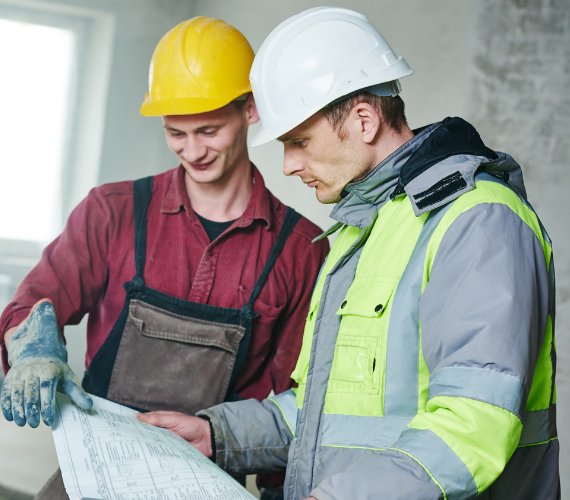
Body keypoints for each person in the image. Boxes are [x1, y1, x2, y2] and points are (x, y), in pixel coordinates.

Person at [138, 7, 558, 500]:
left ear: (363, 119)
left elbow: (474, 424)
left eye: (299, 141)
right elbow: (328, 412)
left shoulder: (477, 221)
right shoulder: (368, 228)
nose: (289, 164)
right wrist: (219, 433)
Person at [0, 16, 330, 499]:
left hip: (209, 481)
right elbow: (33, 302)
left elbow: (293, 398)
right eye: (176, 133)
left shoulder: (300, 250)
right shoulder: (112, 212)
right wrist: (31, 348)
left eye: (209, 130)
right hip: (97, 471)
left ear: (250, 110)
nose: (192, 151)